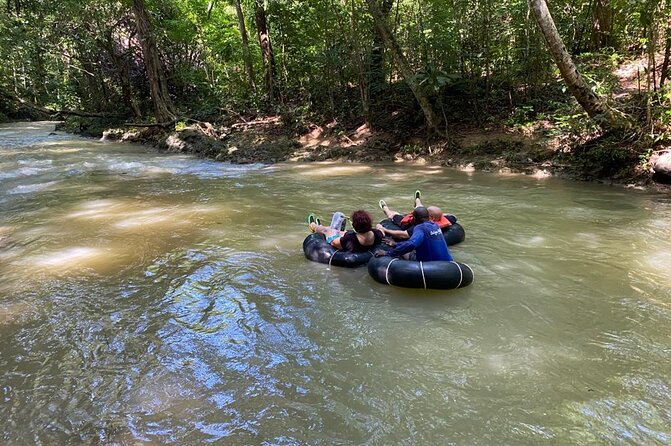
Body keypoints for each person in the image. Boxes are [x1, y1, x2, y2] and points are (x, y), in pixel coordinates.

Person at [374, 206, 453, 262]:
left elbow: (411, 244)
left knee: (406, 252)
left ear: (414, 218)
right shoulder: (435, 225)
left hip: (430, 264)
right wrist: (396, 244)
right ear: (428, 217)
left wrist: (388, 253)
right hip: (447, 262)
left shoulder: (419, 228)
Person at [377, 190, 451, 240]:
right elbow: (453, 217)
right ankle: (417, 199)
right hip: (416, 217)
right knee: (420, 207)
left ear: (432, 218)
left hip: (407, 224)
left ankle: (385, 208)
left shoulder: (419, 227)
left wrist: (385, 229)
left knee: (393, 215)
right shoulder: (444, 220)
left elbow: (403, 234)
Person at [308, 209, 383, 252]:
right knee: (343, 230)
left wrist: (332, 234)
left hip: (337, 241)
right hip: (357, 238)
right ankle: (328, 227)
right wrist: (379, 226)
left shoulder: (351, 239)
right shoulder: (376, 234)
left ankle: (314, 226)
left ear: (355, 226)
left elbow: (334, 243)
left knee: (326, 230)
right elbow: (382, 232)